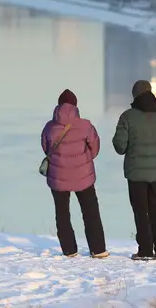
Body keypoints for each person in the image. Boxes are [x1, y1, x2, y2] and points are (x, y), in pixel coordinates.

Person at [112, 80, 156, 261]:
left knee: (141, 211)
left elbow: (119, 146)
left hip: (135, 173)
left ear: (134, 95)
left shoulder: (127, 117)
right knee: (155, 209)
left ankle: (146, 250)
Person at [41, 89, 109, 259]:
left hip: (58, 176)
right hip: (83, 176)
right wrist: (83, 161)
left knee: (62, 212)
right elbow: (95, 147)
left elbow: (46, 148)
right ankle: (98, 249)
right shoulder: (86, 125)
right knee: (90, 211)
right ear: (75, 106)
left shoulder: (49, 127)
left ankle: (69, 250)